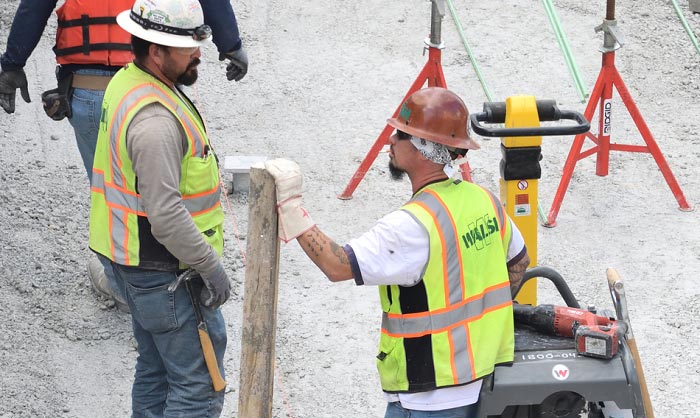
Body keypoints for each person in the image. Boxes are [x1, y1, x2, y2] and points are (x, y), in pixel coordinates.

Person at [264, 87, 531, 418]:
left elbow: (336, 265)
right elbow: (519, 261)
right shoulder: (484, 200)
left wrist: (291, 206)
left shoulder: (411, 226)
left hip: (427, 397)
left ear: (423, 148)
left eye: (401, 134)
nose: (390, 140)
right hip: (479, 383)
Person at [0, 0, 247, 312]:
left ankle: (127, 289)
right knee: (162, 196)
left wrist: (13, 63)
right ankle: (163, 294)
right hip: (144, 82)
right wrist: (231, 43)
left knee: (116, 199)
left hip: (89, 91)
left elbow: (35, 5)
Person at [88, 0, 231, 415]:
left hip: (132, 258)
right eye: (188, 48)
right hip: (166, 271)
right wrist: (209, 265)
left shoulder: (129, 81)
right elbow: (166, 214)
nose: (198, 53)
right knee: (199, 388)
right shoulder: (154, 121)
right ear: (157, 52)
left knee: (157, 371)